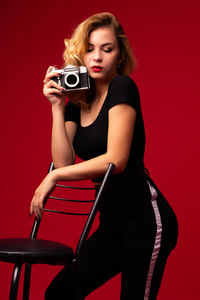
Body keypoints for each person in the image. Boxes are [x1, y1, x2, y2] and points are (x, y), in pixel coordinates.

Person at [30, 12, 178, 300]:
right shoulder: (77, 101)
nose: (97, 57)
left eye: (107, 49)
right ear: (80, 54)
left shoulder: (122, 88)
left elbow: (116, 160)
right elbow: (63, 161)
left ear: (120, 55)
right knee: (60, 293)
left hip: (145, 220)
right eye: (89, 49)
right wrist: (57, 108)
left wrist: (54, 176)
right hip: (111, 223)